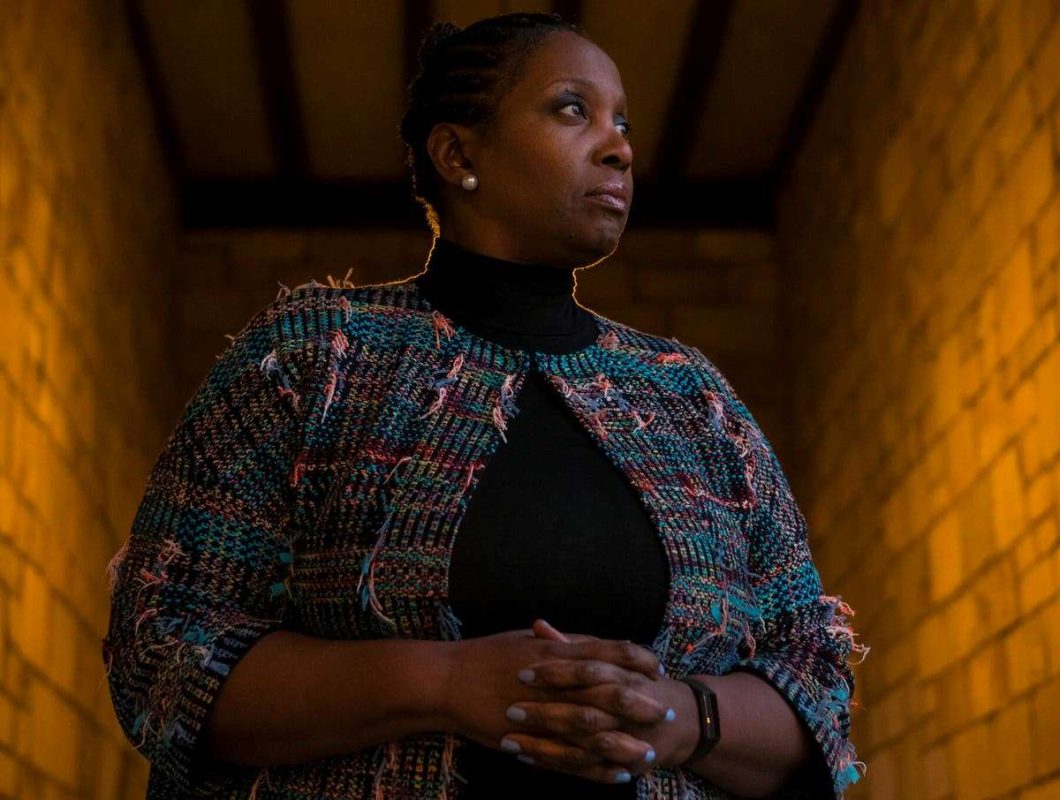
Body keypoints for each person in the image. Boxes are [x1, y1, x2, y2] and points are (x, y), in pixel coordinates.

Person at [101, 12, 868, 799]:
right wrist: (442, 684)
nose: (619, 148)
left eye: (624, 123)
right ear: (459, 154)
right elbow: (163, 641)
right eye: (573, 109)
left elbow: (813, 674)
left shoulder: (690, 395)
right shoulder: (314, 354)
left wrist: (679, 717)